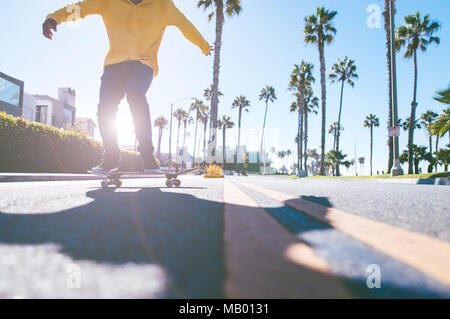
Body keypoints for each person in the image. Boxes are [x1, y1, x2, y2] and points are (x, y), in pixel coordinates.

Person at [43, 0, 211, 173]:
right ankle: (111, 157)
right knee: (106, 107)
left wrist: (204, 46)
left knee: (135, 95)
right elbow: (80, 8)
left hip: (144, 63)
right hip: (115, 64)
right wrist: (54, 18)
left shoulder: (163, 4)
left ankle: (147, 157)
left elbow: (185, 25)